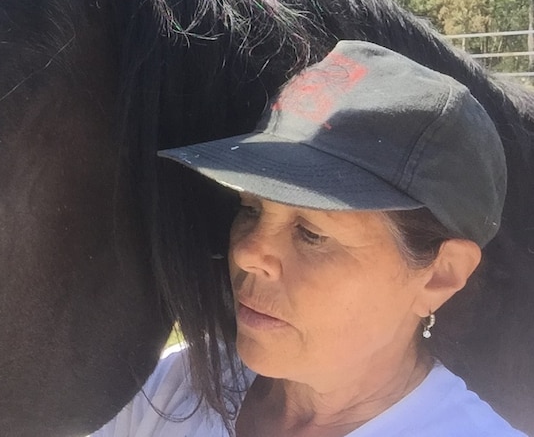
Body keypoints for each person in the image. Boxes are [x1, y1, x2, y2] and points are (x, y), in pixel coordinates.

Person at [93, 41, 527, 436]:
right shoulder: (172, 386)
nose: (247, 252)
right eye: (251, 209)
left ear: (440, 276)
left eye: (311, 233)